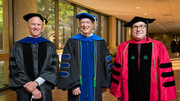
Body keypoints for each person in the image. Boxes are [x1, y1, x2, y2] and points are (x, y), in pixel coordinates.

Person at [110, 16, 176, 101]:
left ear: (146, 29)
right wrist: (119, 91)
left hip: (152, 90)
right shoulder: (123, 46)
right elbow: (118, 70)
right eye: (135, 27)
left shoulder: (158, 46)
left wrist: (163, 93)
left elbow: (165, 70)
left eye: (142, 26)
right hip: (128, 89)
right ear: (131, 30)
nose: (138, 29)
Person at [57, 13, 112, 101]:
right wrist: (73, 85)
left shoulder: (100, 42)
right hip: (77, 86)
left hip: (95, 84)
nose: (85, 25)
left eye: (88, 22)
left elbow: (105, 64)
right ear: (79, 25)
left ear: (93, 24)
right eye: (82, 22)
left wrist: (103, 83)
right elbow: (67, 65)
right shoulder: (72, 42)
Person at [9, 13, 58, 101]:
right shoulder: (18, 45)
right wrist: (30, 87)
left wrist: (36, 83)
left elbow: (52, 67)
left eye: (38, 24)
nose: (36, 27)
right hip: (24, 88)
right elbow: (14, 68)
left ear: (42, 26)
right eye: (33, 24)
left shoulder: (49, 45)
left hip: (44, 87)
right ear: (28, 25)